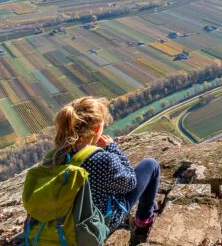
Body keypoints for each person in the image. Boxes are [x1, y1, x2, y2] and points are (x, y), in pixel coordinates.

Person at [52, 96, 159, 242]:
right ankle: (143, 223)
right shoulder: (102, 159)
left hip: (62, 223)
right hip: (96, 224)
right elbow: (131, 183)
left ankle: (149, 206)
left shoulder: (56, 156)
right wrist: (113, 148)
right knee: (151, 165)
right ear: (96, 128)